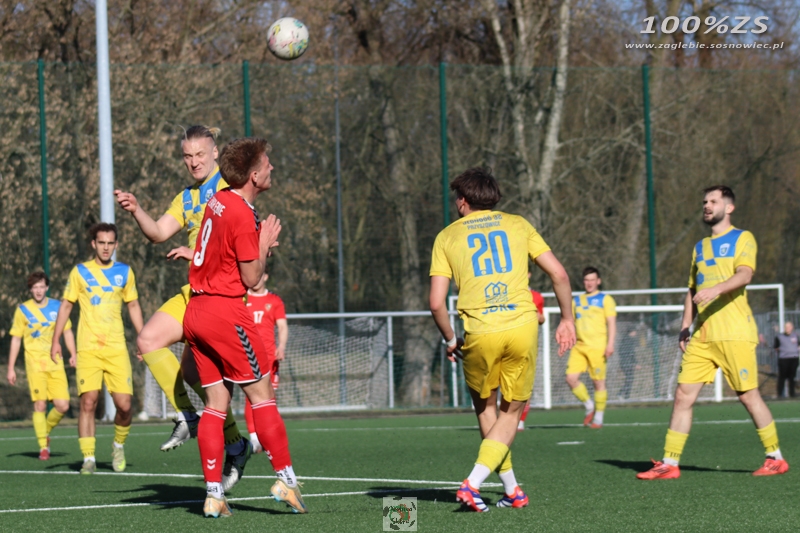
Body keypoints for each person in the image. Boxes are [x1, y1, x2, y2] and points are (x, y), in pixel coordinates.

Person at [429, 167, 575, 512]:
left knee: (486, 408)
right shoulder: (518, 224)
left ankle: (481, 484)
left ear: (462, 201)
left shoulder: (446, 237)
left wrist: (450, 339)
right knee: (511, 413)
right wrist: (568, 319)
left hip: (480, 330)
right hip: (522, 325)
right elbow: (559, 273)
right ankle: (506, 489)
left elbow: (436, 303)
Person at [115, 126, 251, 491]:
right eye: (187, 156)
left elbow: (245, 238)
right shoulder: (187, 197)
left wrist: (199, 253)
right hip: (194, 293)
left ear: (215, 153)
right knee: (149, 341)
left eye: (200, 154)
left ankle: (254, 454)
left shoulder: (230, 188)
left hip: (222, 296)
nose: (193, 162)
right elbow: (158, 233)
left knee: (223, 385)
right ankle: (192, 419)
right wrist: (137, 210)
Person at [183, 137, 305, 518]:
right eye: (267, 164)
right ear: (253, 176)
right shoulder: (241, 213)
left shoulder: (218, 200)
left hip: (196, 311)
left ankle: (214, 494)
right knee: (262, 395)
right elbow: (252, 279)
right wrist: (263, 242)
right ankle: (286, 480)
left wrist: (256, 240)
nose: (272, 168)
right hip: (224, 313)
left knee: (216, 404)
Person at [638, 185, 789, 480]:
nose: (707, 205)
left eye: (714, 201)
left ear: (729, 208)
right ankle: (669, 463)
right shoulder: (699, 247)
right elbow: (692, 290)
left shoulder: (743, 238)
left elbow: (745, 274)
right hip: (703, 336)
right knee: (682, 396)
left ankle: (775, 458)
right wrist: (686, 326)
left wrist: (716, 289)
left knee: (748, 396)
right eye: (705, 201)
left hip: (735, 332)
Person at [50, 223, 144, 475]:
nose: (105, 247)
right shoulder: (80, 272)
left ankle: (118, 445)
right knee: (88, 402)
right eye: (101, 242)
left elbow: (133, 306)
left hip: (116, 348)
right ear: (93, 244)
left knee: (125, 405)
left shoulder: (125, 272)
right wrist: (55, 340)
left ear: (116, 245)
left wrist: (143, 338)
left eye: (110, 243)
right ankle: (88, 458)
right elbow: (66, 306)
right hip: (88, 348)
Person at [7, 271, 77, 460]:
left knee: (63, 406)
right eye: (34, 287)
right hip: (35, 365)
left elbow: (68, 332)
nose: (38, 290)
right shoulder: (23, 310)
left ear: (47, 287)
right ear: (30, 289)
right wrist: (11, 368)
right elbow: (16, 339)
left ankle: (44, 431)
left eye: (41, 286)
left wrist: (73, 354)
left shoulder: (58, 307)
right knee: (39, 404)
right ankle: (43, 447)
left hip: (55, 363)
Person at [564, 267, 617, 428]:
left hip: (598, 347)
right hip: (579, 346)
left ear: (598, 281)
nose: (589, 283)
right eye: (586, 280)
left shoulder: (605, 299)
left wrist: (610, 344)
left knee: (598, 382)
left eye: (592, 280)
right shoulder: (576, 301)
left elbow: (611, 323)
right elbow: (570, 322)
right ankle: (589, 405)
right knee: (570, 379)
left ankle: (598, 418)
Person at [244, 270, 287, 453]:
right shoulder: (241, 298)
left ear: (266, 276)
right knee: (252, 396)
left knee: (269, 397)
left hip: (269, 357)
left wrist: (281, 347)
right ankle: (254, 438)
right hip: (247, 355)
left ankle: (269, 436)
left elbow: (282, 326)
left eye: (259, 274)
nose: (255, 278)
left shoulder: (274, 300)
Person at [518, 275, 546, 431]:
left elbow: (542, 318)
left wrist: (538, 317)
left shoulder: (536, 296)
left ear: (529, 274)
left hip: (529, 345)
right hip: (507, 343)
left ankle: (520, 420)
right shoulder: (508, 292)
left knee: (524, 384)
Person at [773, 321, 799, 398]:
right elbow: (776, 347)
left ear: (792, 327)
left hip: (794, 358)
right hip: (784, 359)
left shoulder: (796, 336)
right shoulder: (779, 337)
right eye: (786, 327)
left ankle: (792, 394)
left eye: (789, 327)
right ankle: (780, 394)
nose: (788, 328)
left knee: (792, 377)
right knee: (782, 377)